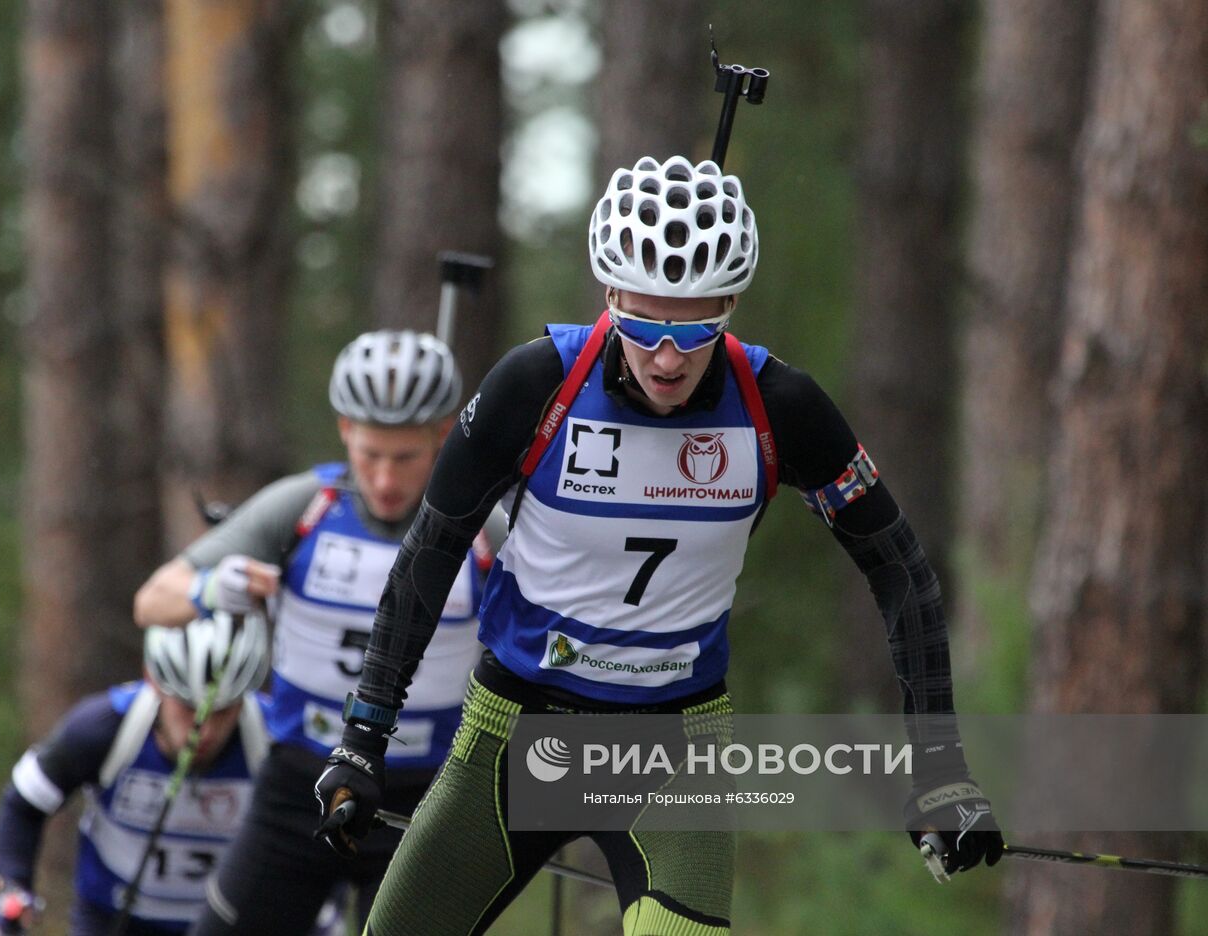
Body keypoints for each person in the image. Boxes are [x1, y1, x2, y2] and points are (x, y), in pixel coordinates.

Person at [313, 155, 1005, 935]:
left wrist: (940, 765)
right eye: (643, 328)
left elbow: (902, 572)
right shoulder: (535, 385)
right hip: (512, 729)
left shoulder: (780, 407)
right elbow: (428, 558)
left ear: (732, 304)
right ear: (609, 296)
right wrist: (364, 738)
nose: (667, 358)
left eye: (695, 330)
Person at [132, 331, 507, 934]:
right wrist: (209, 591)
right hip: (297, 787)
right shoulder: (303, 507)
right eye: (370, 454)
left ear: (442, 435)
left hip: (426, 802)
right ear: (342, 430)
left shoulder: (482, 526)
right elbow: (151, 602)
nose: (385, 479)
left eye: (406, 457)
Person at [0, 614, 281, 936]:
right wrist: (12, 886)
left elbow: (318, 833)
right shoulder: (102, 728)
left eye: (222, 711)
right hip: (114, 921)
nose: (203, 728)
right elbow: (24, 802)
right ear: (153, 681)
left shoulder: (273, 741)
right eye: (186, 706)